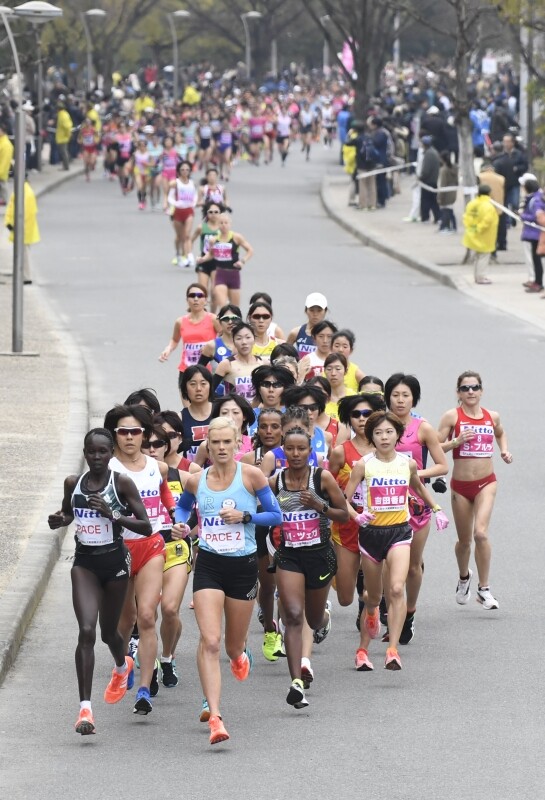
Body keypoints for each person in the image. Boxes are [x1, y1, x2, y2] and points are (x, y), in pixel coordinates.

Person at [175, 417, 282, 744]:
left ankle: (239, 656)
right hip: (209, 565)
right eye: (215, 443)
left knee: (233, 646)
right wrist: (181, 525)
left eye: (227, 442)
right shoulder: (197, 480)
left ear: (237, 444)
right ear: (207, 446)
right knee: (210, 640)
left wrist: (245, 516)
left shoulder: (251, 476)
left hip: (243, 567)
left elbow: (276, 515)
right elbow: (182, 509)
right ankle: (215, 716)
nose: (221, 448)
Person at [48, 428, 152, 735]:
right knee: (86, 630)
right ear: (84, 453)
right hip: (85, 564)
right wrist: (61, 520)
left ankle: (122, 666)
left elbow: (146, 526)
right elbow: (68, 513)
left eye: (102, 451)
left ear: (111, 454)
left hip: (115, 564)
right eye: (91, 451)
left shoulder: (121, 483)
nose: (96, 457)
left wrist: (113, 514)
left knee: (109, 633)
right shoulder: (73, 483)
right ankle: (85, 710)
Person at [345, 411, 448, 670]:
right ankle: (363, 646)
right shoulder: (363, 465)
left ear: (397, 435)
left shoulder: (407, 463)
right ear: (371, 437)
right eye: (378, 433)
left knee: (397, 589)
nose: (384, 437)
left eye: (389, 432)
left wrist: (437, 509)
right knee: (372, 596)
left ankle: (392, 650)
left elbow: (418, 487)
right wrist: (356, 516)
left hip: (400, 532)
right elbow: (343, 499)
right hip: (371, 534)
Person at [269, 427, 348, 708]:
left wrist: (319, 505)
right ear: (283, 451)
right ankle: (296, 683)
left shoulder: (321, 478)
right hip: (289, 555)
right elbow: (262, 509)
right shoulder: (276, 481)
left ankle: (324, 618)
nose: (295, 454)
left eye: (301, 448)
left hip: (319, 556)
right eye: (290, 448)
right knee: (292, 615)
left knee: (312, 621)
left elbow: (344, 515)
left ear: (310, 451)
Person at [103, 405, 172, 716]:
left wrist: (176, 517)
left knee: (146, 616)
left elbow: (165, 498)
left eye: (135, 431)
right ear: (114, 435)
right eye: (123, 431)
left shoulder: (158, 467)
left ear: (144, 434)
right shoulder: (107, 468)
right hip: (118, 550)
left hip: (151, 546)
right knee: (123, 622)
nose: (129, 437)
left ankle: (144, 689)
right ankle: (123, 665)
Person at [437, 371, 512, 611]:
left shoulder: (492, 416)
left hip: (486, 483)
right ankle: (464, 577)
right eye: (465, 388)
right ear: (458, 393)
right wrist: (456, 442)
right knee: (464, 541)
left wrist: (504, 450)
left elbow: (500, 432)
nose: (470, 391)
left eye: (475, 387)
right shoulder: (452, 416)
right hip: (461, 486)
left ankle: (484, 588)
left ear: (481, 391)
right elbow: (434, 446)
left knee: (481, 533)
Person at [384, 373, 448, 643]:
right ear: (388, 397)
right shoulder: (380, 425)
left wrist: (414, 474)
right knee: (387, 563)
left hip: (416, 504)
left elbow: (442, 466)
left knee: (412, 565)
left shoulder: (423, 428)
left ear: (414, 399)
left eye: (406, 395)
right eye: (395, 395)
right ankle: (391, 611)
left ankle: (409, 612)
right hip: (385, 502)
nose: (400, 400)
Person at [141, 426, 193, 689]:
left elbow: (198, 512)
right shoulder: (130, 478)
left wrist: (184, 528)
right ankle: (148, 665)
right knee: (146, 614)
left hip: (175, 549)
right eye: (147, 444)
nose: (152, 449)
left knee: (171, 609)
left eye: (158, 444)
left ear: (167, 446)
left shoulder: (184, 476)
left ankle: (167, 658)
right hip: (145, 550)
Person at [196, 212, 253, 309]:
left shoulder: (236, 237)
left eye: (226, 223)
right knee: (224, 307)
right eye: (221, 223)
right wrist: (203, 259)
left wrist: (242, 261)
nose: (223, 225)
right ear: (218, 225)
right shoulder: (213, 240)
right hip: (220, 274)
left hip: (234, 274)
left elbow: (250, 250)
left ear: (230, 224)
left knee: (235, 309)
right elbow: (211, 254)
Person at [158, 283, 219, 372]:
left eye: (200, 296)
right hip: (187, 370)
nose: (196, 299)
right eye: (192, 295)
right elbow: (175, 340)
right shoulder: (180, 321)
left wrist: (212, 346)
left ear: (205, 300)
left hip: (208, 371)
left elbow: (225, 338)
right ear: (187, 300)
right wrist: (168, 349)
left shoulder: (213, 319)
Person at [4, 175, 40, 284]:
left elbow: (19, 210)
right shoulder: (24, 189)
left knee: (24, 253)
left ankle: (26, 277)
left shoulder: (23, 191)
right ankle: (23, 275)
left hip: (22, 228)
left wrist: (11, 223)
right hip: (24, 227)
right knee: (23, 252)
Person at [462, 184, 499, 285]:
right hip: (485, 236)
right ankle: (481, 277)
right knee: (484, 256)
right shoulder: (488, 206)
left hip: (472, 234)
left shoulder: (472, 203)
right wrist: (479, 228)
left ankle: (477, 276)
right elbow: (487, 221)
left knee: (477, 256)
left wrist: (472, 228)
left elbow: (466, 217)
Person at [179, 365, 214, 461]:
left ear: (210, 386)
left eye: (203, 384)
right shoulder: (179, 418)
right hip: (190, 469)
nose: (198, 388)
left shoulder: (221, 412)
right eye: (193, 384)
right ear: (185, 388)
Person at [167, 160, 197, 268]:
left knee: (187, 235)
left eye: (187, 170)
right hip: (178, 211)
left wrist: (193, 204)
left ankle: (189, 256)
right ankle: (178, 254)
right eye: (182, 170)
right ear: (179, 171)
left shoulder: (192, 183)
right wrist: (176, 204)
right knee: (179, 236)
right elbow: (170, 197)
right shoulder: (176, 183)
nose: (185, 171)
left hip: (189, 211)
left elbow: (195, 195)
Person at [519, 177, 545, 293]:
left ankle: (538, 282)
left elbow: (536, 217)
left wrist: (523, 216)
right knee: (536, 259)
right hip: (535, 233)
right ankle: (537, 281)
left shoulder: (536, 201)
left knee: (537, 259)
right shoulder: (536, 199)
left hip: (535, 233)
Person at [287, 292, 328, 357]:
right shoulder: (295, 333)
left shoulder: (332, 335)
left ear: (325, 311)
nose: (315, 314)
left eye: (319, 310)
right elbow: (285, 354)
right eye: (312, 310)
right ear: (306, 311)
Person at [418, 135, 440, 223]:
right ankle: (438, 217)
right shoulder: (433, 152)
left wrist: (420, 177)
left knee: (426, 201)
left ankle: (425, 217)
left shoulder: (429, 154)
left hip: (428, 181)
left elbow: (426, 170)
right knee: (433, 200)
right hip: (433, 180)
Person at [438, 150, 458, 233]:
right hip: (453, 191)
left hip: (446, 192)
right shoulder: (455, 168)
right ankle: (453, 226)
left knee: (446, 210)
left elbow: (443, 184)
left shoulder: (443, 170)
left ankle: (445, 226)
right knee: (449, 209)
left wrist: (440, 197)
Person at [55, 101, 73, 171]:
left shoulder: (62, 115)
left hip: (62, 137)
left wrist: (68, 134)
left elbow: (67, 126)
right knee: (64, 152)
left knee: (64, 152)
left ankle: (66, 166)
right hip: (62, 136)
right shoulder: (64, 114)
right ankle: (65, 166)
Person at [0, 122, 14, 205]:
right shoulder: (2, 142)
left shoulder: (6, 144)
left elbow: (5, 161)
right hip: (2, 170)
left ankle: (4, 200)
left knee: (3, 185)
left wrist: (1, 172)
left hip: (2, 171)